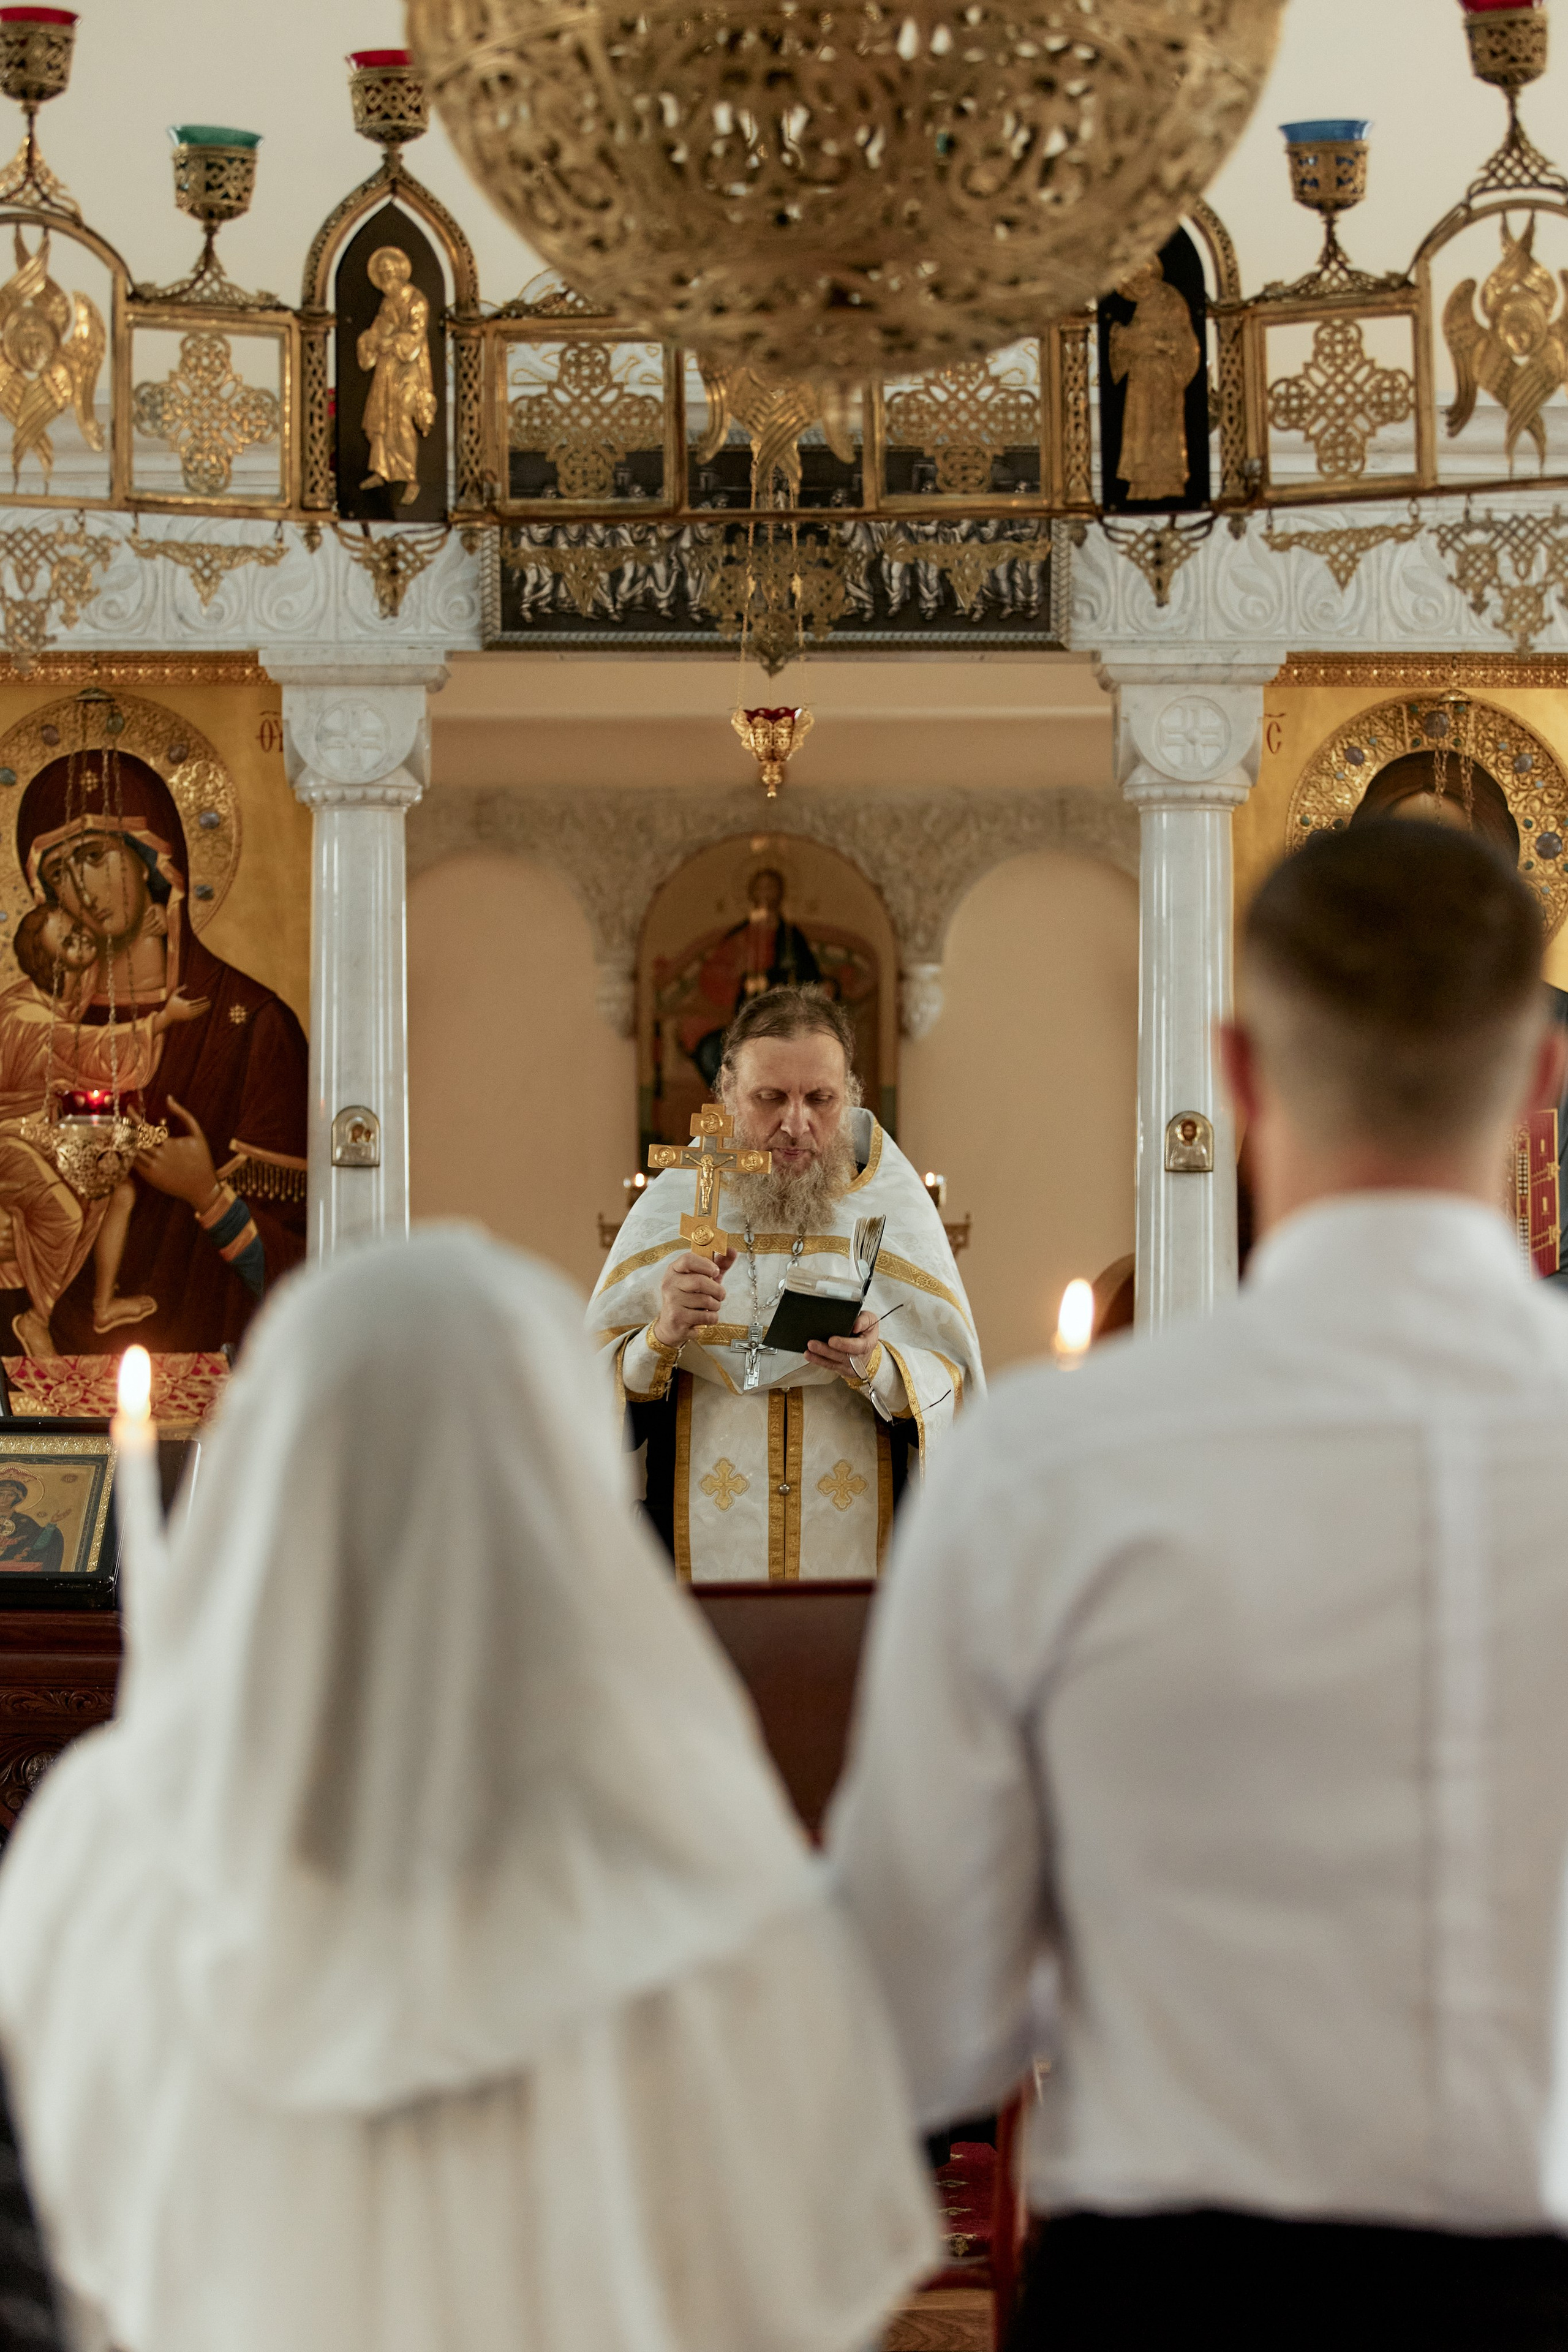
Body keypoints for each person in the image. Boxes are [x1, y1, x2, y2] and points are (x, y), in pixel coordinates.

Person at [831, 821, 1568, 2351]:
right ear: (1539, 1083)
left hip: (1168, 2298)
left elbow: (919, 2013)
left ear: (1233, 1076)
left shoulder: (1044, 1462)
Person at [0, 1228, 937, 2352]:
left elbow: (55, 2248)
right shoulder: (724, 1894)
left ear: (272, 1470)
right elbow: (794, 2293)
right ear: (565, 1491)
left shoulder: (105, 1844)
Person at [590, 986, 981, 1579]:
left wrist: (876, 1366)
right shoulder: (675, 1208)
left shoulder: (892, 1210)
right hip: (696, 1566)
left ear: (849, 1097)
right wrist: (662, 1335)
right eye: (769, 1098)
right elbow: (586, 1406)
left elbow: (958, 1395)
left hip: (859, 1570)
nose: (794, 1124)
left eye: (819, 1099)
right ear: (727, 1094)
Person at [9, 746, 307, 1354]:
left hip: (214, 1397)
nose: (81, 889)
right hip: (36, 1396)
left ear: (155, 861)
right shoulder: (31, 1022)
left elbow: (315, 1272)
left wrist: (208, 1195)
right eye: (59, 873)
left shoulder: (250, 1025)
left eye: (95, 857)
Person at [0, 902, 209, 1349]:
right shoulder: (23, 1016)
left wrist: (155, 925)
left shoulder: (64, 990)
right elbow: (84, 1048)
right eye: (68, 939)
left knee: (118, 1192)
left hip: (40, 1132)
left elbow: (98, 960)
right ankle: (35, 1319)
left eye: (77, 930)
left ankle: (102, 1306)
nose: (80, 939)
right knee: (65, 1213)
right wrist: (161, 1020)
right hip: (8, 1140)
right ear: (49, 960)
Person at [356, 245, 435, 504]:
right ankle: (382, 471)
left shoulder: (416, 300)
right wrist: (369, 340)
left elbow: (416, 336)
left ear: (399, 272)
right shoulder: (387, 302)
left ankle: (411, 478)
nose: (386, 275)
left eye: (389, 270)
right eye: (382, 272)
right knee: (380, 420)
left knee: (402, 421)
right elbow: (378, 329)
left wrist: (391, 343)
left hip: (409, 369)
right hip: (386, 369)